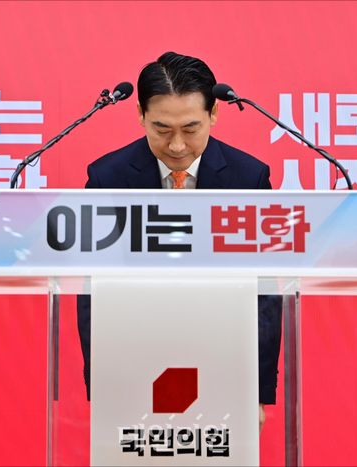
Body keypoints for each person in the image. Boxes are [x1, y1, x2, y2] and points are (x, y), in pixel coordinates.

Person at [77, 51, 282, 429]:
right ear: (140, 114)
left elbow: (265, 295)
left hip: (223, 358)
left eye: (190, 129)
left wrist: (256, 390)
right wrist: (103, 385)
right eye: (161, 129)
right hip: (133, 359)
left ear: (213, 114)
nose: (176, 146)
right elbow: (93, 292)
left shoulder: (248, 178)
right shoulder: (108, 178)